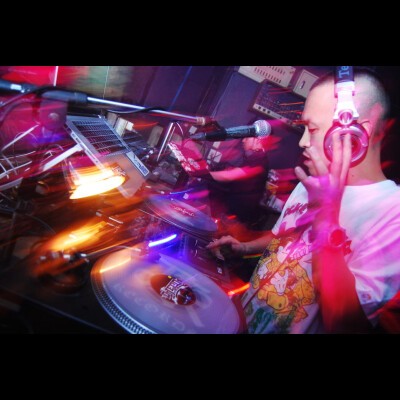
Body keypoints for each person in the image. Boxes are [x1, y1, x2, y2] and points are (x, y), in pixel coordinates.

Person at [207, 67, 400, 334]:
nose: (303, 142)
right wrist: (244, 247)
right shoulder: (311, 182)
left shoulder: (392, 212)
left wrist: (327, 218)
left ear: (357, 134)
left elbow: (344, 323)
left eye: (312, 129)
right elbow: (283, 238)